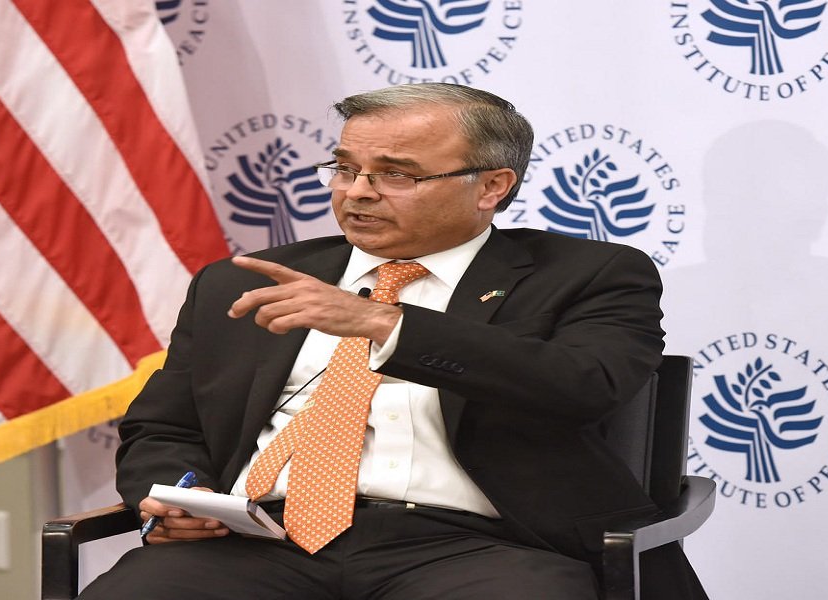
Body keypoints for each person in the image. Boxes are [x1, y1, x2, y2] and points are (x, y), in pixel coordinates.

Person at [78, 83, 707, 599]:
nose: (357, 192)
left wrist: (387, 325)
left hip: (483, 546)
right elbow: (164, 425)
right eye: (345, 168)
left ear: (492, 186)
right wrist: (184, 494)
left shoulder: (588, 274)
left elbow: (586, 383)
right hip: (258, 541)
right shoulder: (245, 281)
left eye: (396, 175)